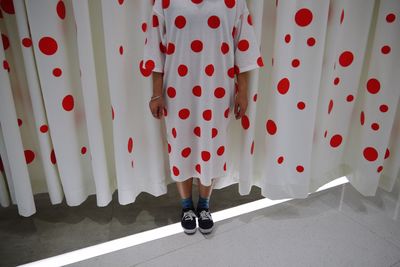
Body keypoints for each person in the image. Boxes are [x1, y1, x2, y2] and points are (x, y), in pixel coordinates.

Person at [141, 0, 264, 235]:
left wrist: (243, 91)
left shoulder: (234, 2)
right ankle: (186, 205)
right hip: (177, 90)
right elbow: (155, 49)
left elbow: (243, 47)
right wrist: (156, 92)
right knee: (180, 144)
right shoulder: (166, 2)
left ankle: (204, 205)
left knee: (212, 144)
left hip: (217, 88)